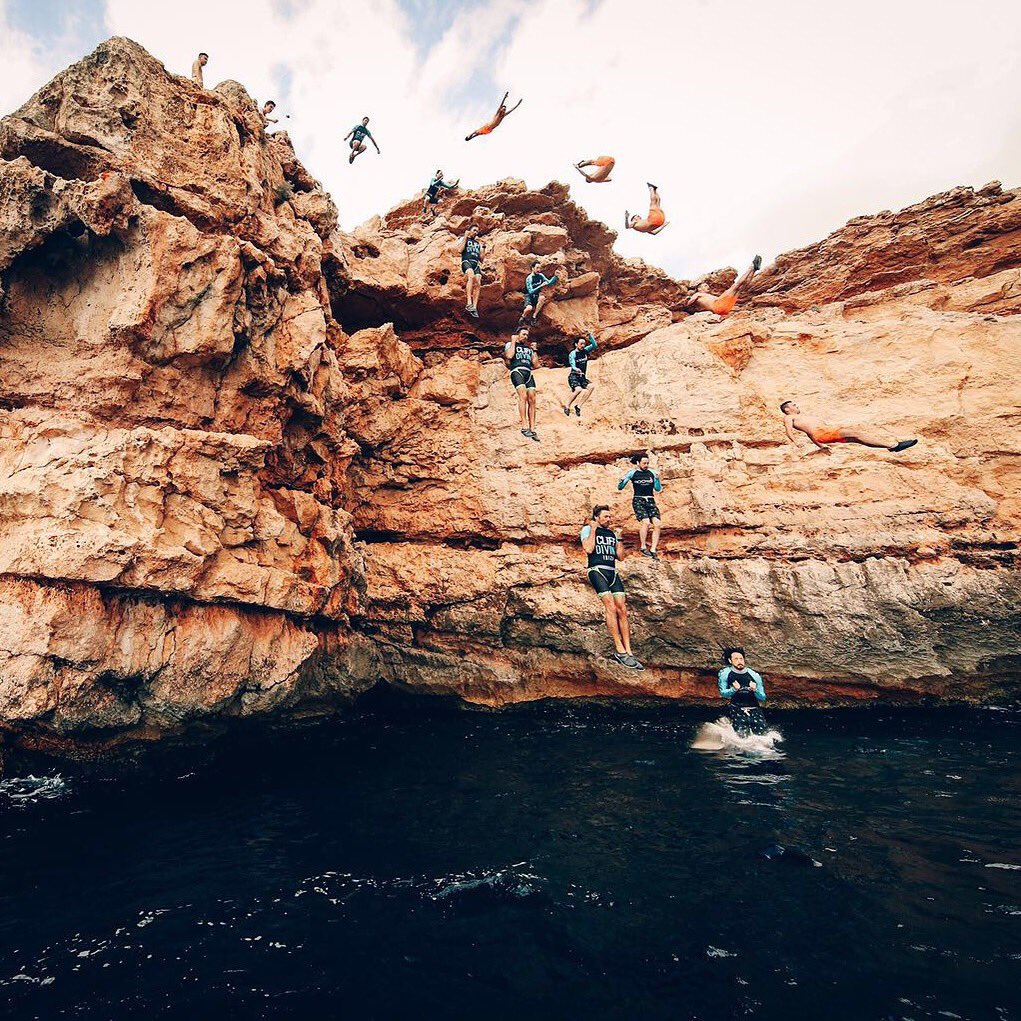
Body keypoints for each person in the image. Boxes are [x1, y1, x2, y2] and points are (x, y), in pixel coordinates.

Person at [580, 506, 643, 670]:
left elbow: (620, 557)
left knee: (622, 609)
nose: (609, 519)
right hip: (597, 570)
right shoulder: (587, 529)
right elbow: (588, 549)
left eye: (610, 516)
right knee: (610, 606)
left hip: (612, 572)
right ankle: (619, 649)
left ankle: (628, 651)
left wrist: (619, 538)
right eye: (606, 516)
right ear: (596, 517)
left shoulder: (611, 534)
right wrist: (593, 529)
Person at [780, 401, 918, 455]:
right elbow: (789, 431)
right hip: (823, 433)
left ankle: (891, 446)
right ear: (787, 409)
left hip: (825, 432)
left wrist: (820, 446)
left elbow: (810, 434)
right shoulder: (789, 418)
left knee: (858, 438)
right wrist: (795, 442)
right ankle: (893, 445)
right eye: (793, 405)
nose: (797, 405)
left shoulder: (804, 417)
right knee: (854, 433)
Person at [617, 453, 662, 558]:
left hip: (650, 499)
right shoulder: (633, 473)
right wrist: (621, 482)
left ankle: (653, 549)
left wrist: (657, 479)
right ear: (638, 463)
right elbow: (620, 487)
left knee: (657, 524)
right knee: (646, 522)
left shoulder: (652, 473)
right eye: (644, 463)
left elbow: (658, 489)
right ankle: (643, 547)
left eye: (647, 463)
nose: (646, 465)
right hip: (638, 499)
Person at [718, 647, 769, 737]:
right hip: (736, 708)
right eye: (736, 659)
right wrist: (734, 689)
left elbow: (763, 697)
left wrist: (755, 690)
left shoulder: (754, 675)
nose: (739, 661)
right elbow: (723, 693)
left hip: (754, 708)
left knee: (762, 736)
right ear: (730, 661)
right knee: (741, 736)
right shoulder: (724, 673)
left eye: (741, 659)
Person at [687, 256, 762, 316]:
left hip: (725, 308)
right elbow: (690, 301)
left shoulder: (705, 296)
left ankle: (754, 270)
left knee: (741, 288)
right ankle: (751, 268)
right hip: (718, 305)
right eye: (705, 285)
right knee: (737, 286)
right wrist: (687, 302)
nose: (708, 287)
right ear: (699, 288)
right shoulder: (698, 294)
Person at [504, 325, 539, 441]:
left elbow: (536, 364)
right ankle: (524, 426)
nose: (526, 337)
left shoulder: (528, 349)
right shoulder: (510, 345)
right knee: (523, 396)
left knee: (532, 399)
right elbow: (509, 356)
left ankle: (532, 429)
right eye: (523, 334)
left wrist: (534, 350)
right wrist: (513, 341)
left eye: (527, 335)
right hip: (517, 371)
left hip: (528, 373)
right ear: (518, 335)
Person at [563, 332, 597, 417]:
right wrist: (575, 368)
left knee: (591, 387)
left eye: (584, 344)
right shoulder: (573, 353)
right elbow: (572, 363)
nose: (583, 345)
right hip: (574, 376)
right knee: (578, 390)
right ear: (576, 344)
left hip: (582, 377)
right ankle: (567, 406)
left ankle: (578, 406)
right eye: (581, 344)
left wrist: (589, 335)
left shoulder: (585, 351)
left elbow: (594, 345)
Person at [519, 260, 559, 325]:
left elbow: (548, 283)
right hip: (529, 296)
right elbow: (531, 292)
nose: (538, 269)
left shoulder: (540, 275)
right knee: (529, 308)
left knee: (542, 298)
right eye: (537, 268)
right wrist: (541, 285)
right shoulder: (529, 278)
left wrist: (555, 276)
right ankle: (523, 317)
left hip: (537, 296)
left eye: (540, 268)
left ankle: (534, 316)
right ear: (532, 268)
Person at [461, 224, 484, 318]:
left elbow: (481, 259)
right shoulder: (465, 239)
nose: (476, 232)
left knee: (478, 282)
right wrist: (465, 237)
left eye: (477, 231)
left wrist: (484, 248)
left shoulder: (477, 244)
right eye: (474, 230)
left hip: (476, 264)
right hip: (467, 262)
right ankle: (469, 303)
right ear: (469, 231)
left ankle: (474, 307)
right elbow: (460, 250)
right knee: (471, 276)